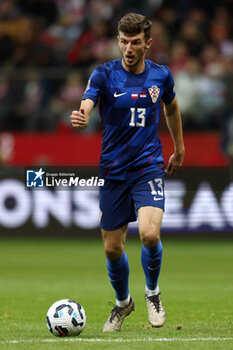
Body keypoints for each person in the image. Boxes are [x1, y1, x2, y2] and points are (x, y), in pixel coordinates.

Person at [70, 13, 185, 332]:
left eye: (135, 42)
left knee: (149, 234)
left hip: (148, 165)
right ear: (118, 41)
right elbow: (88, 100)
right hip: (112, 171)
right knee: (112, 247)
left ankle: (153, 293)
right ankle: (123, 303)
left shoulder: (161, 75)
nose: (128, 47)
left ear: (147, 43)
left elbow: (171, 107)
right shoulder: (104, 74)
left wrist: (179, 147)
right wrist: (82, 115)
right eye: (123, 41)